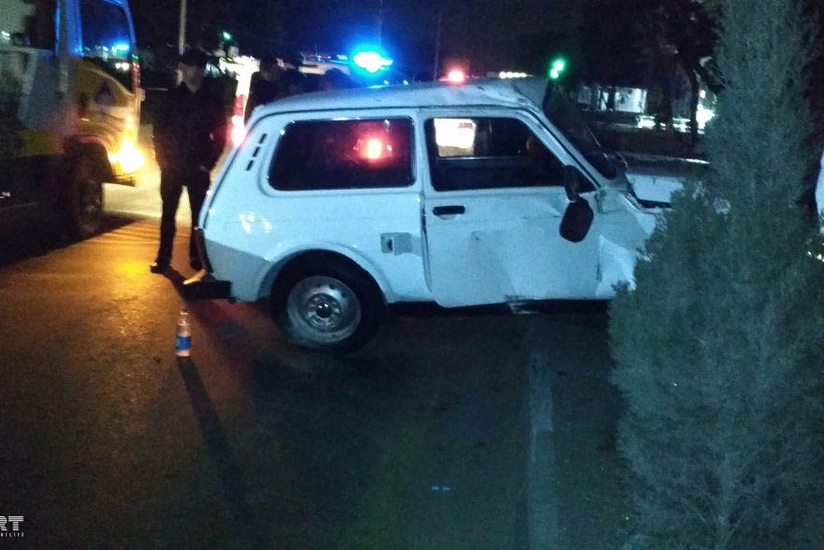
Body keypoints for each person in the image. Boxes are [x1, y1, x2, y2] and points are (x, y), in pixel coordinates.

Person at [150, 48, 227, 273]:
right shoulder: (172, 97)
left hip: (198, 166)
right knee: (168, 214)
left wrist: (208, 163)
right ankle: (163, 257)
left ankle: (196, 256)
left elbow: (221, 135)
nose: (190, 71)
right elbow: (159, 131)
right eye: (187, 66)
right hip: (172, 165)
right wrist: (162, 159)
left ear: (202, 70)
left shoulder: (211, 100)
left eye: (195, 67)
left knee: (198, 217)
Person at [244, 55, 282, 123]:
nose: (276, 73)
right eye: (274, 70)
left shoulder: (273, 86)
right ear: (266, 72)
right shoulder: (261, 89)